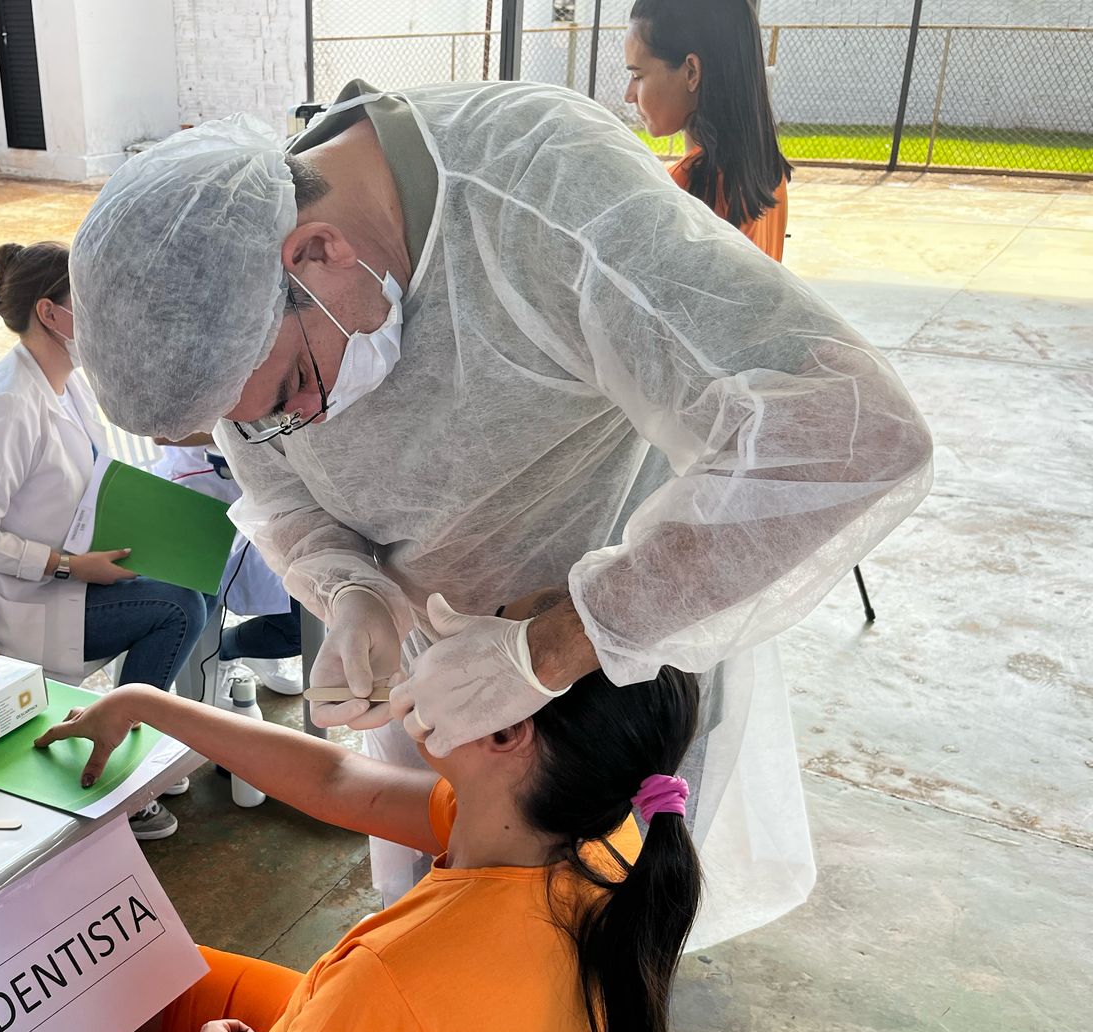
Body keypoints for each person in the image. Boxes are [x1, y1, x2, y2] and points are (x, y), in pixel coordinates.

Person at [68, 82, 932, 937]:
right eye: (247, 422)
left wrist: (554, 645)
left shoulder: (540, 196)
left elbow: (849, 432)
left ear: (317, 253)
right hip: (455, 715)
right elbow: (279, 487)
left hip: (602, 701)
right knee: (443, 921)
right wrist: (351, 593)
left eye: (295, 388)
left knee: (603, 933)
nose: (297, 429)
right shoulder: (230, 314)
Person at [0, 597, 703, 1032]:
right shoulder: (596, 835)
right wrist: (150, 704)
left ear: (507, 731)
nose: (449, 634)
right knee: (133, 969)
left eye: (490, 625)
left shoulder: (393, 988)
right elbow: (340, 783)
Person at [0, 241, 209, 840]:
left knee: (200, 579)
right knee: (177, 607)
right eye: (90, 301)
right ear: (50, 314)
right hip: (20, 602)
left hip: (73, 575)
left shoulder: (65, 383)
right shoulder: (4, 404)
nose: (107, 316)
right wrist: (68, 566)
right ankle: (116, 774)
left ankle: (133, 736)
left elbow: (92, 480)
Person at [625, 0, 792, 261]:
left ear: (692, 71)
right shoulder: (768, 171)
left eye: (638, 76)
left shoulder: (685, 188)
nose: (629, 95)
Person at [150, 435, 304, 697]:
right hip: (198, 493)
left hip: (271, 492)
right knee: (197, 612)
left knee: (302, 626)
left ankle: (233, 649)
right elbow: (161, 433)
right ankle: (212, 661)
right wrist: (257, 424)